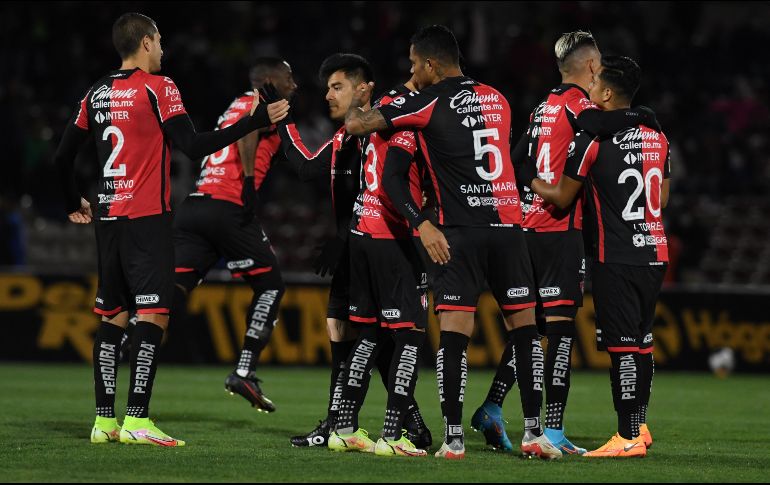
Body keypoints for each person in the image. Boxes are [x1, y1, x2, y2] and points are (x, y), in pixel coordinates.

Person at [53, 12, 288, 447]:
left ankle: (104, 422)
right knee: (153, 314)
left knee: (112, 316)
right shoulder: (159, 87)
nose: (163, 49)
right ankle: (138, 420)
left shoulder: (96, 93)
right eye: (159, 41)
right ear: (145, 43)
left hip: (108, 219)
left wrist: (72, 202)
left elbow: (62, 158)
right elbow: (193, 145)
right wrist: (252, 123)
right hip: (147, 218)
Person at [344, 25, 559, 460]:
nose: (410, 72)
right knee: (526, 332)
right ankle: (535, 434)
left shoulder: (425, 101)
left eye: (413, 64)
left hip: (457, 233)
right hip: (508, 228)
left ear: (430, 65)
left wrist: (359, 102)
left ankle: (454, 439)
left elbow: (356, 128)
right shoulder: (497, 97)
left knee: (456, 336)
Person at [471, 30, 659, 455]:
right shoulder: (583, 107)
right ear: (593, 69)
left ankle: (493, 406)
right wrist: (646, 115)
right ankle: (551, 430)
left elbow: (514, 158)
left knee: (529, 328)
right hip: (559, 229)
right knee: (558, 336)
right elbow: (619, 120)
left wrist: (529, 192)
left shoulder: (543, 106)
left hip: (525, 225)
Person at [271, 54, 431, 449]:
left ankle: (379, 423)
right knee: (350, 333)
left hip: (379, 244)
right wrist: (281, 123)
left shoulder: (389, 129)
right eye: (327, 88)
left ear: (364, 89)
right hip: (358, 248)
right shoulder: (344, 137)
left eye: (337, 87)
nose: (328, 95)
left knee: (377, 339)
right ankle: (345, 424)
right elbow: (308, 168)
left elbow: (394, 190)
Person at [525, 55, 670, 458]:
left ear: (607, 92)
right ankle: (638, 427)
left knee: (622, 348)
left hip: (616, 254)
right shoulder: (657, 136)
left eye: (594, 88)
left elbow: (561, 196)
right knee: (642, 344)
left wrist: (528, 177)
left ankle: (625, 438)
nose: (587, 94)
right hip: (655, 250)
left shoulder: (592, 140)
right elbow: (662, 198)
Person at [171, 57, 297, 412]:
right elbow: (250, 130)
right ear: (271, 80)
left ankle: (136, 328)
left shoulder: (233, 104)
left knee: (176, 287)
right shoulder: (262, 102)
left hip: (195, 204)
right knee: (270, 285)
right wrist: (247, 181)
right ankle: (244, 370)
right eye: (289, 77)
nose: (295, 85)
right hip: (228, 205)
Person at [326, 78, 430, 457]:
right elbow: (393, 179)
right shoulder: (411, 116)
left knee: (368, 334)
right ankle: (392, 435)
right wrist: (421, 220)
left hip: (361, 231)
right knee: (408, 335)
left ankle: (344, 428)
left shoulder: (382, 108)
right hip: (391, 235)